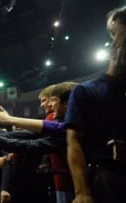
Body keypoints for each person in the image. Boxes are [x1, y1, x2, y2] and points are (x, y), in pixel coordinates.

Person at [0, 82, 77, 203]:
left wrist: (0, 132)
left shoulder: (68, 126)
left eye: (52, 100)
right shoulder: (63, 122)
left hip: (70, 183)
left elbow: (33, 144)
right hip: (63, 181)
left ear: (66, 104)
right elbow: (30, 135)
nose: (48, 104)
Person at [65, 6, 126, 203]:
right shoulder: (86, 91)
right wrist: (82, 191)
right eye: (114, 34)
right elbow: (72, 141)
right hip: (108, 183)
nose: (118, 41)